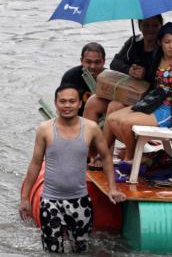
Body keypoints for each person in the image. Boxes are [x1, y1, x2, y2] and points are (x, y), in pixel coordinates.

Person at [19, 84, 125, 254]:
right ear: (55, 103)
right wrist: (25, 198)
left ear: (79, 104)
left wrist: (112, 188)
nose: (67, 105)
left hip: (80, 202)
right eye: (62, 101)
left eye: (71, 101)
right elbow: (35, 164)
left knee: (81, 251)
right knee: (52, 251)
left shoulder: (91, 128)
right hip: (50, 202)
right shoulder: (45, 129)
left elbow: (105, 156)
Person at [104, 22, 172, 160]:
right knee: (111, 119)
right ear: (160, 42)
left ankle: (131, 159)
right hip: (152, 103)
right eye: (167, 42)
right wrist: (134, 69)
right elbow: (147, 77)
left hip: (168, 110)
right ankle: (110, 155)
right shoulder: (157, 58)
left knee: (126, 123)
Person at [83, 15, 163, 124]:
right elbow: (115, 63)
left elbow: (163, 77)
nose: (150, 29)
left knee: (114, 106)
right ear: (140, 26)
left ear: (161, 26)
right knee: (92, 102)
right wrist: (129, 70)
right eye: (146, 25)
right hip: (127, 93)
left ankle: (105, 141)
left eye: (155, 25)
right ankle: (89, 139)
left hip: (146, 98)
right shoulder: (133, 42)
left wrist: (145, 74)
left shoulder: (163, 48)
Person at [60, 42, 106, 116]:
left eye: (97, 62)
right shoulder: (70, 77)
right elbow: (64, 104)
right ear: (81, 61)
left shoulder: (110, 80)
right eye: (88, 62)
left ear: (104, 61)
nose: (93, 66)